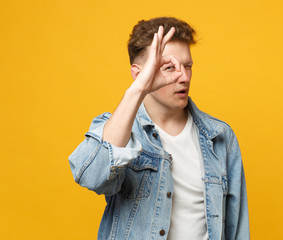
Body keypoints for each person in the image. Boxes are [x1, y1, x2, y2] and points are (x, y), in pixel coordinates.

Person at [69, 17, 249, 240]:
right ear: (139, 74)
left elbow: (237, 228)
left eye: (188, 66)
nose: (183, 77)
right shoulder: (118, 130)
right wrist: (139, 89)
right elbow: (90, 176)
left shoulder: (220, 136)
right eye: (169, 67)